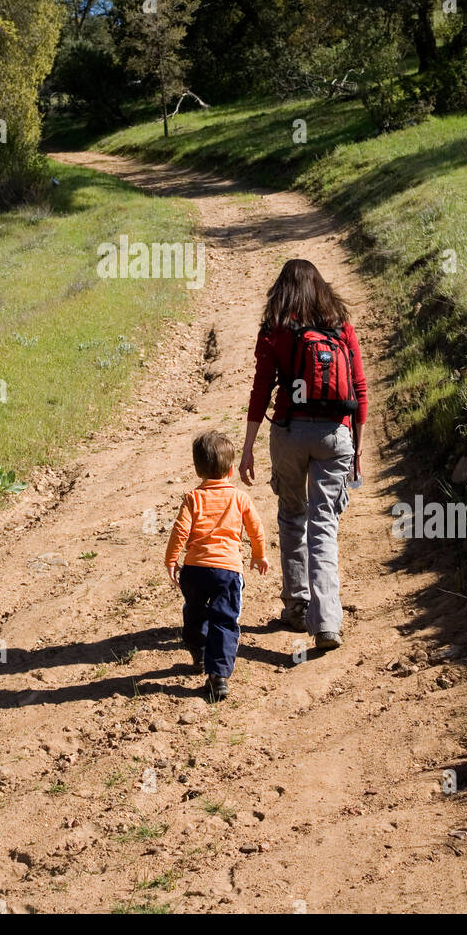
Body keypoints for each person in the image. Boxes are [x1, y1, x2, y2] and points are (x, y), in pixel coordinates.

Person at [239, 259, 367, 650]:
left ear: (283, 289)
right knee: (323, 523)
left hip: (290, 433)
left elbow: (261, 390)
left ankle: (297, 607)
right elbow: (360, 389)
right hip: (335, 435)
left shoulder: (275, 330)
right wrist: (358, 449)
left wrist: (248, 448)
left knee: (293, 516)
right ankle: (327, 621)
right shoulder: (340, 325)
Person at [165, 430, 268, 700]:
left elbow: (180, 531)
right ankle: (218, 675)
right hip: (228, 571)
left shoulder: (193, 498)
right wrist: (258, 555)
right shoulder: (240, 498)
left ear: (197, 470)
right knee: (224, 620)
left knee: (195, 612)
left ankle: (199, 651)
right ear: (231, 470)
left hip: (195, 570)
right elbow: (256, 529)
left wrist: (171, 559)